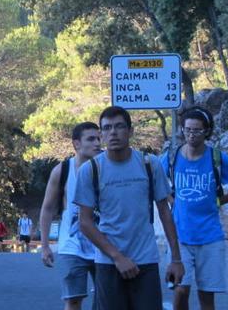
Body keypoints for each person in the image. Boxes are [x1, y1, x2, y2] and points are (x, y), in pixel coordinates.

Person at [74, 106, 184, 310]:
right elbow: (85, 222)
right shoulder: (90, 170)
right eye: (107, 128)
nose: (113, 133)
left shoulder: (149, 164)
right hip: (109, 263)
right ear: (101, 134)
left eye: (119, 127)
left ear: (130, 131)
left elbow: (165, 213)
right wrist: (117, 257)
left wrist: (176, 259)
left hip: (146, 260)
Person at [162, 107, 228, 310]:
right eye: (188, 130)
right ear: (182, 130)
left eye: (197, 130)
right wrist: (170, 198)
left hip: (210, 236)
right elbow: (154, 181)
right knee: (181, 289)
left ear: (206, 131)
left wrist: (219, 200)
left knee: (206, 294)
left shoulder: (216, 158)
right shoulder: (171, 157)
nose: (192, 134)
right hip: (180, 236)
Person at [38, 122, 101, 310]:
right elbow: (47, 208)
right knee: (73, 300)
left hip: (104, 245)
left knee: (108, 300)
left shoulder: (107, 167)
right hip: (71, 245)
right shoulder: (62, 170)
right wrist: (45, 246)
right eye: (91, 139)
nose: (97, 143)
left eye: (98, 138)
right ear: (76, 144)